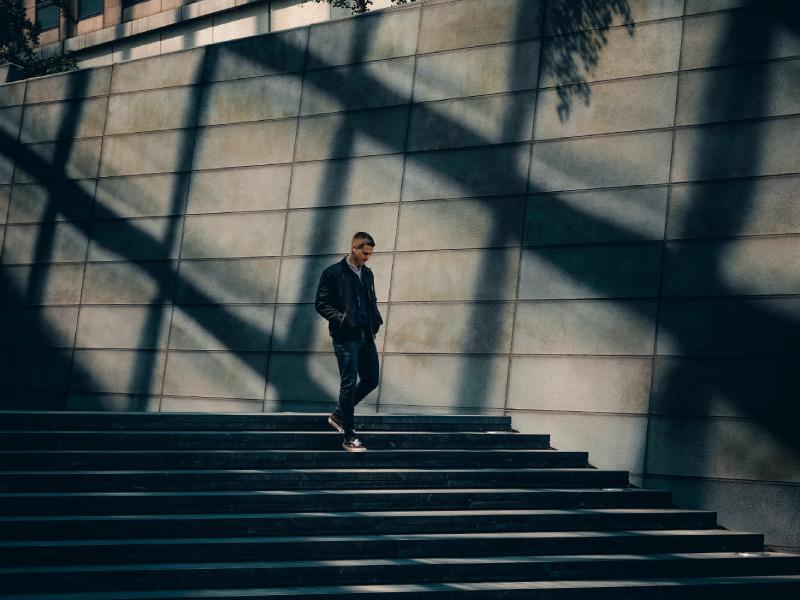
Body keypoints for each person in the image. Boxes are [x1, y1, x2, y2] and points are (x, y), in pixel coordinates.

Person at [314, 232, 383, 452]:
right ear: (354, 248)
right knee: (349, 381)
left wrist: (376, 318)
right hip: (345, 337)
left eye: (370, 254)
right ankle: (349, 435)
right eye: (365, 253)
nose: (367, 257)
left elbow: (370, 300)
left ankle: (338, 414)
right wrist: (342, 319)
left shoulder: (368, 274)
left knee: (371, 379)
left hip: (366, 334)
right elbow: (321, 304)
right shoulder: (333, 273)